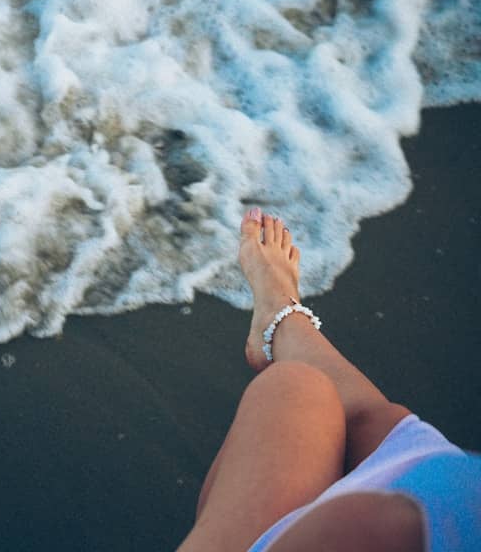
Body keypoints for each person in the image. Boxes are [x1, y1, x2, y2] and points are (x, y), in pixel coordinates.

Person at [178, 207, 481, 552]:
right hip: (444, 490)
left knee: (289, 394)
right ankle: (279, 318)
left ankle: (280, 316)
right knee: (334, 407)